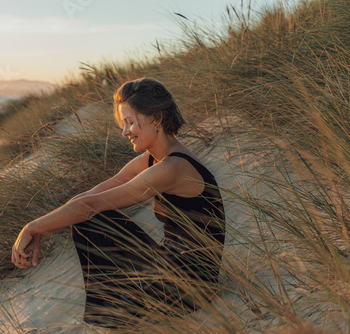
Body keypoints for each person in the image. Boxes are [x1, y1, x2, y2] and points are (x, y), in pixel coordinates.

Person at [12, 77, 226, 328]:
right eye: (123, 124)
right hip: (174, 271)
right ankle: (120, 315)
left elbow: (90, 207)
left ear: (156, 118)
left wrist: (32, 228)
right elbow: (87, 197)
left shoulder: (172, 167)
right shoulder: (155, 159)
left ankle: (118, 322)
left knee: (92, 220)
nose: (125, 132)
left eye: (130, 122)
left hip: (190, 290)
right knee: (87, 218)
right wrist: (40, 228)